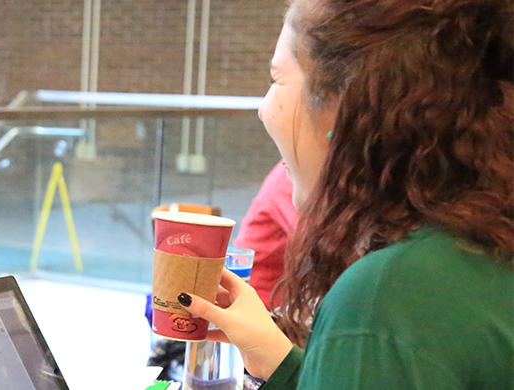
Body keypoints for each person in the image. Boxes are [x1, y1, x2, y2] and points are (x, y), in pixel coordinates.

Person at [178, 0, 514, 388]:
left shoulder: (387, 296)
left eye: (276, 79)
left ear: (345, 107)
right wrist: (278, 359)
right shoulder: (480, 245)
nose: (262, 110)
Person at [232, 162, 298, 310]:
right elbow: (322, 240)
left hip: (285, 297)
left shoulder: (292, 173)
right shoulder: (287, 180)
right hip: (260, 302)